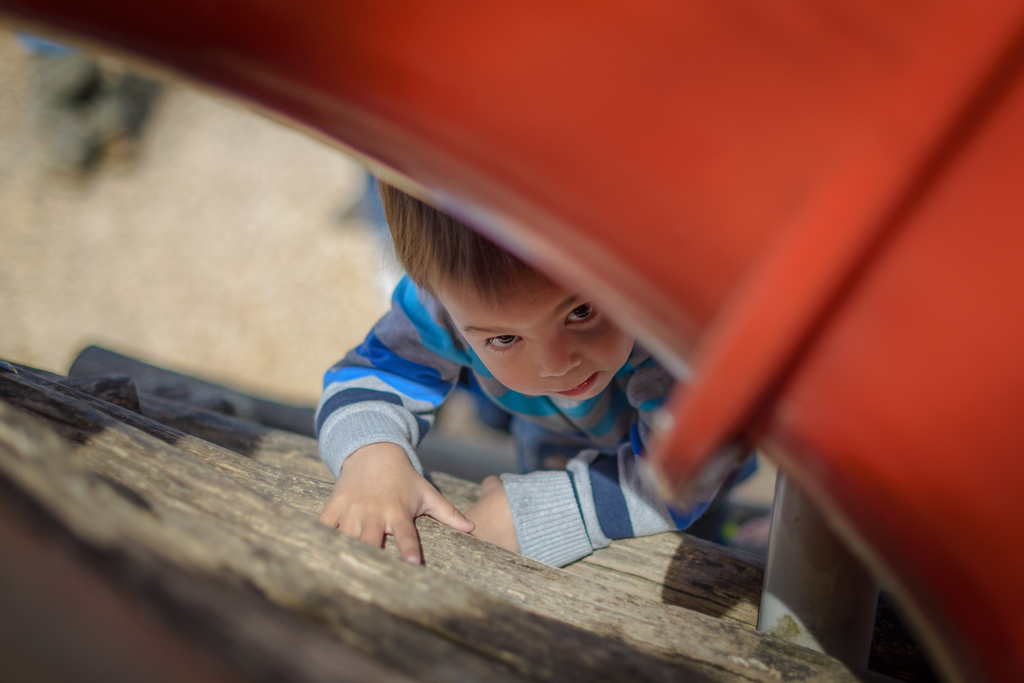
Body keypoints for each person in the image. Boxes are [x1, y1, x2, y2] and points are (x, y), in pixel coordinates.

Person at [316, 183, 752, 567]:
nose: (556, 364)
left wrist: (539, 514)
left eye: (581, 312)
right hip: (551, 450)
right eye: (504, 339)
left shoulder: (667, 329)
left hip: (679, 484)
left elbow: (690, 474)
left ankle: (732, 537)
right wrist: (371, 457)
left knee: (702, 544)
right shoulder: (443, 304)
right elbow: (364, 377)